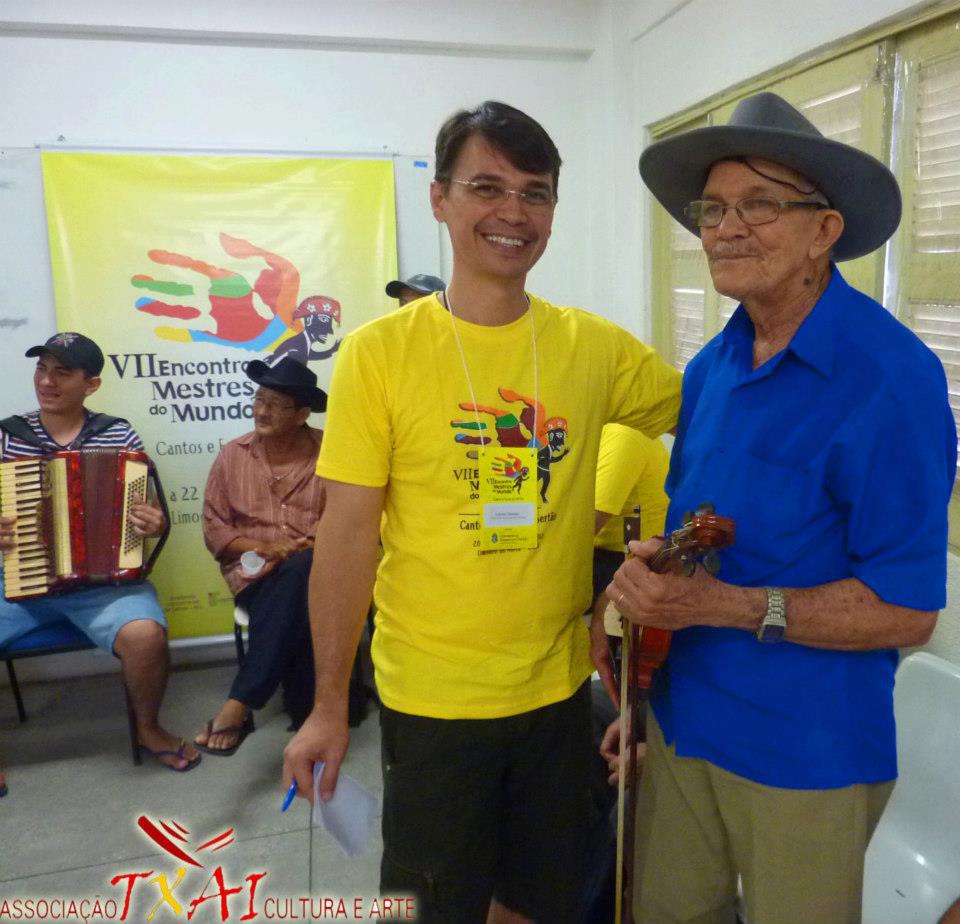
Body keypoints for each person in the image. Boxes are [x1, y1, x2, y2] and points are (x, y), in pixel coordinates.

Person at [283, 100, 681, 924]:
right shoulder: (378, 355)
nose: (513, 212)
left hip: (555, 692)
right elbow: (346, 540)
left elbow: (718, 410)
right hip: (433, 699)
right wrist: (328, 706)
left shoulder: (593, 348)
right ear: (440, 198)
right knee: (437, 903)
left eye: (535, 193)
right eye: (487, 187)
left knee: (540, 897)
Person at [606, 92, 956, 924]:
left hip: (807, 752)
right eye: (713, 209)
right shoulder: (711, 368)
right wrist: (643, 629)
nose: (726, 228)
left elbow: (907, 612)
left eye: (760, 204)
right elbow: (699, 540)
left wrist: (724, 606)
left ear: (824, 230)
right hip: (685, 720)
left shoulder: (892, 380)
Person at [0, 332, 200, 772]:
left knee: (146, 636)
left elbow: (146, 510)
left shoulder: (117, 433)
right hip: (17, 580)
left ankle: (148, 727)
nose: (46, 381)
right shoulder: (7, 436)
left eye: (62, 372)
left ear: (90, 384)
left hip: (102, 586)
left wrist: (152, 523)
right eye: (42, 369)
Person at [195, 356, 327, 754]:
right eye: (259, 399)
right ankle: (309, 710)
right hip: (253, 576)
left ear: (302, 414)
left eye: (276, 404)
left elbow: (349, 520)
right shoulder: (232, 455)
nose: (262, 411)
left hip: (322, 572)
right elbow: (214, 527)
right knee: (296, 591)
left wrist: (306, 547)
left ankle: (241, 703)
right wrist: (262, 547)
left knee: (302, 570)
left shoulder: (332, 453)